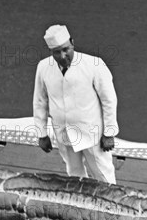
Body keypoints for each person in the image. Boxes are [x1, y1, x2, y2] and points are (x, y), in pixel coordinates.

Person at [33, 24, 119, 184]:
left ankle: (110, 205)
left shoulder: (94, 65)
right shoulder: (43, 67)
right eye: (57, 52)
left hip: (92, 134)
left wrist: (109, 133)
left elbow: (109, 100)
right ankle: (81, 202)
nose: (63, 55)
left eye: (66, 49)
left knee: (103, 174)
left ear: (72, 42)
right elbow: (40, 101)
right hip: (64, 134)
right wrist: (41, 133)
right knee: (74, 173)